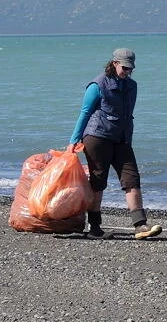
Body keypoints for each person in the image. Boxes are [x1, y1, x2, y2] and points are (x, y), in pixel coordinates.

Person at [69, 48, 162, 240]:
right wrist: (73, 140)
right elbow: (85, 112)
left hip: (122, 139)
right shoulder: (97, 85)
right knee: (98, 182)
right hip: (97, 138)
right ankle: (95, 228)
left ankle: (140, 225)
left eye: (130, 69)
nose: (127, 72)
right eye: (124, 68)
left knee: (132, 179)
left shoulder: (132, 86)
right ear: (114, 63)